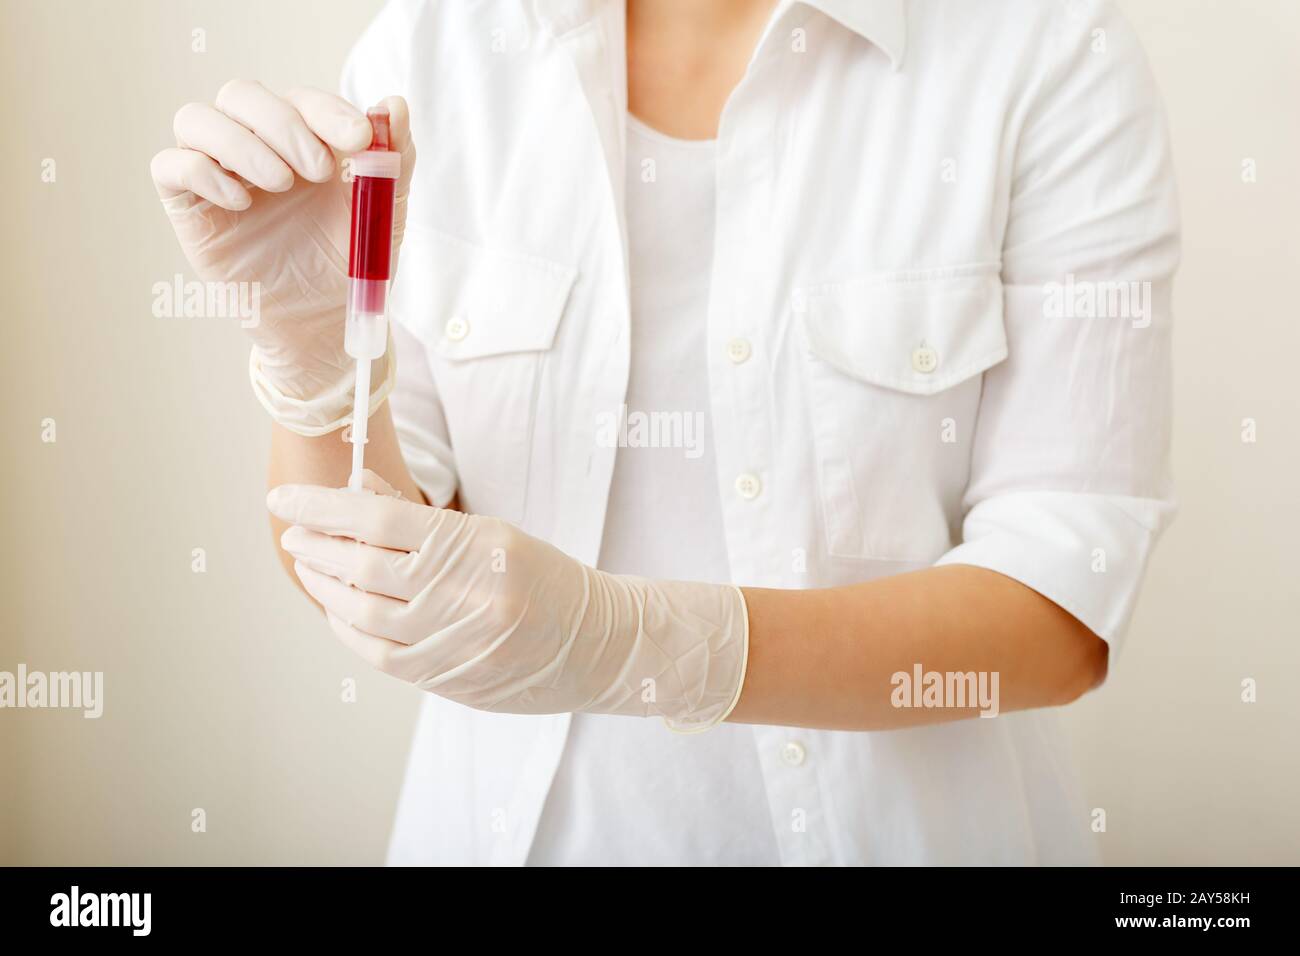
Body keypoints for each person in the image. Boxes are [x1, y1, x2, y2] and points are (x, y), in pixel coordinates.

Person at [151, 0, 1179, 865]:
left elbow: (1059, 612)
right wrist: (318, 357)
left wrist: (638, 645)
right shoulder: (433, 52)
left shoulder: (1042, 53)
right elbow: (378, 548)